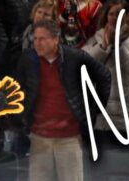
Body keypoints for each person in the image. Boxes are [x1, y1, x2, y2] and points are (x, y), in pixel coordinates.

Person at [13, 19, 110, 181]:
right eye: (35, 39)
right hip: (39, 137)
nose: (37, 43)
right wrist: (19, 117)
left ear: (55, 39)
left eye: (42, 39)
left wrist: (94, 108)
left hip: (69, 138)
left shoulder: (75, 57)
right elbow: (15, 88)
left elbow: (104, 76)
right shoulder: (28, 60)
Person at [81, 0, 129, 136]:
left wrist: (117, 44)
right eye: (111, 14)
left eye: (118, 14)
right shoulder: (98, 37)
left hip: (126, 113)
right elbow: (84, 65)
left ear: (128, 17)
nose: (113, 17)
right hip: (101, 115)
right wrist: (103, 48)